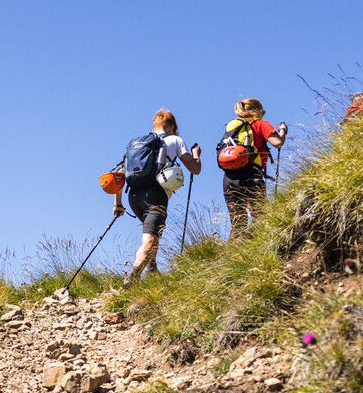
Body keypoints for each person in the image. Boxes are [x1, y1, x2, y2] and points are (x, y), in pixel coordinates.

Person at [115, 109, 202, 284]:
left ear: (154, 127)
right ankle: (132, 278)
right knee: (150, 239)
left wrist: (118, 204)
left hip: (133, 196)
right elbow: (195, 169)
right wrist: (196, 155)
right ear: (171, 127)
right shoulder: (175, 140)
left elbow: (120, 174)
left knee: (154, 233)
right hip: (155, 195)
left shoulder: (138, 145)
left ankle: (152, 268)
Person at [218, 98, 287, 238]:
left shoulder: (233, 127)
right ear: (257, 110)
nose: (263, 114)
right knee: (260, 218)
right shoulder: (260, 124)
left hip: (229, 177)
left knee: (238, 224)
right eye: (262, 111)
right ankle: (257, 248)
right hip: (251, 174)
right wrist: (283, 130)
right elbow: (278, 142)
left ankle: (234, 249)